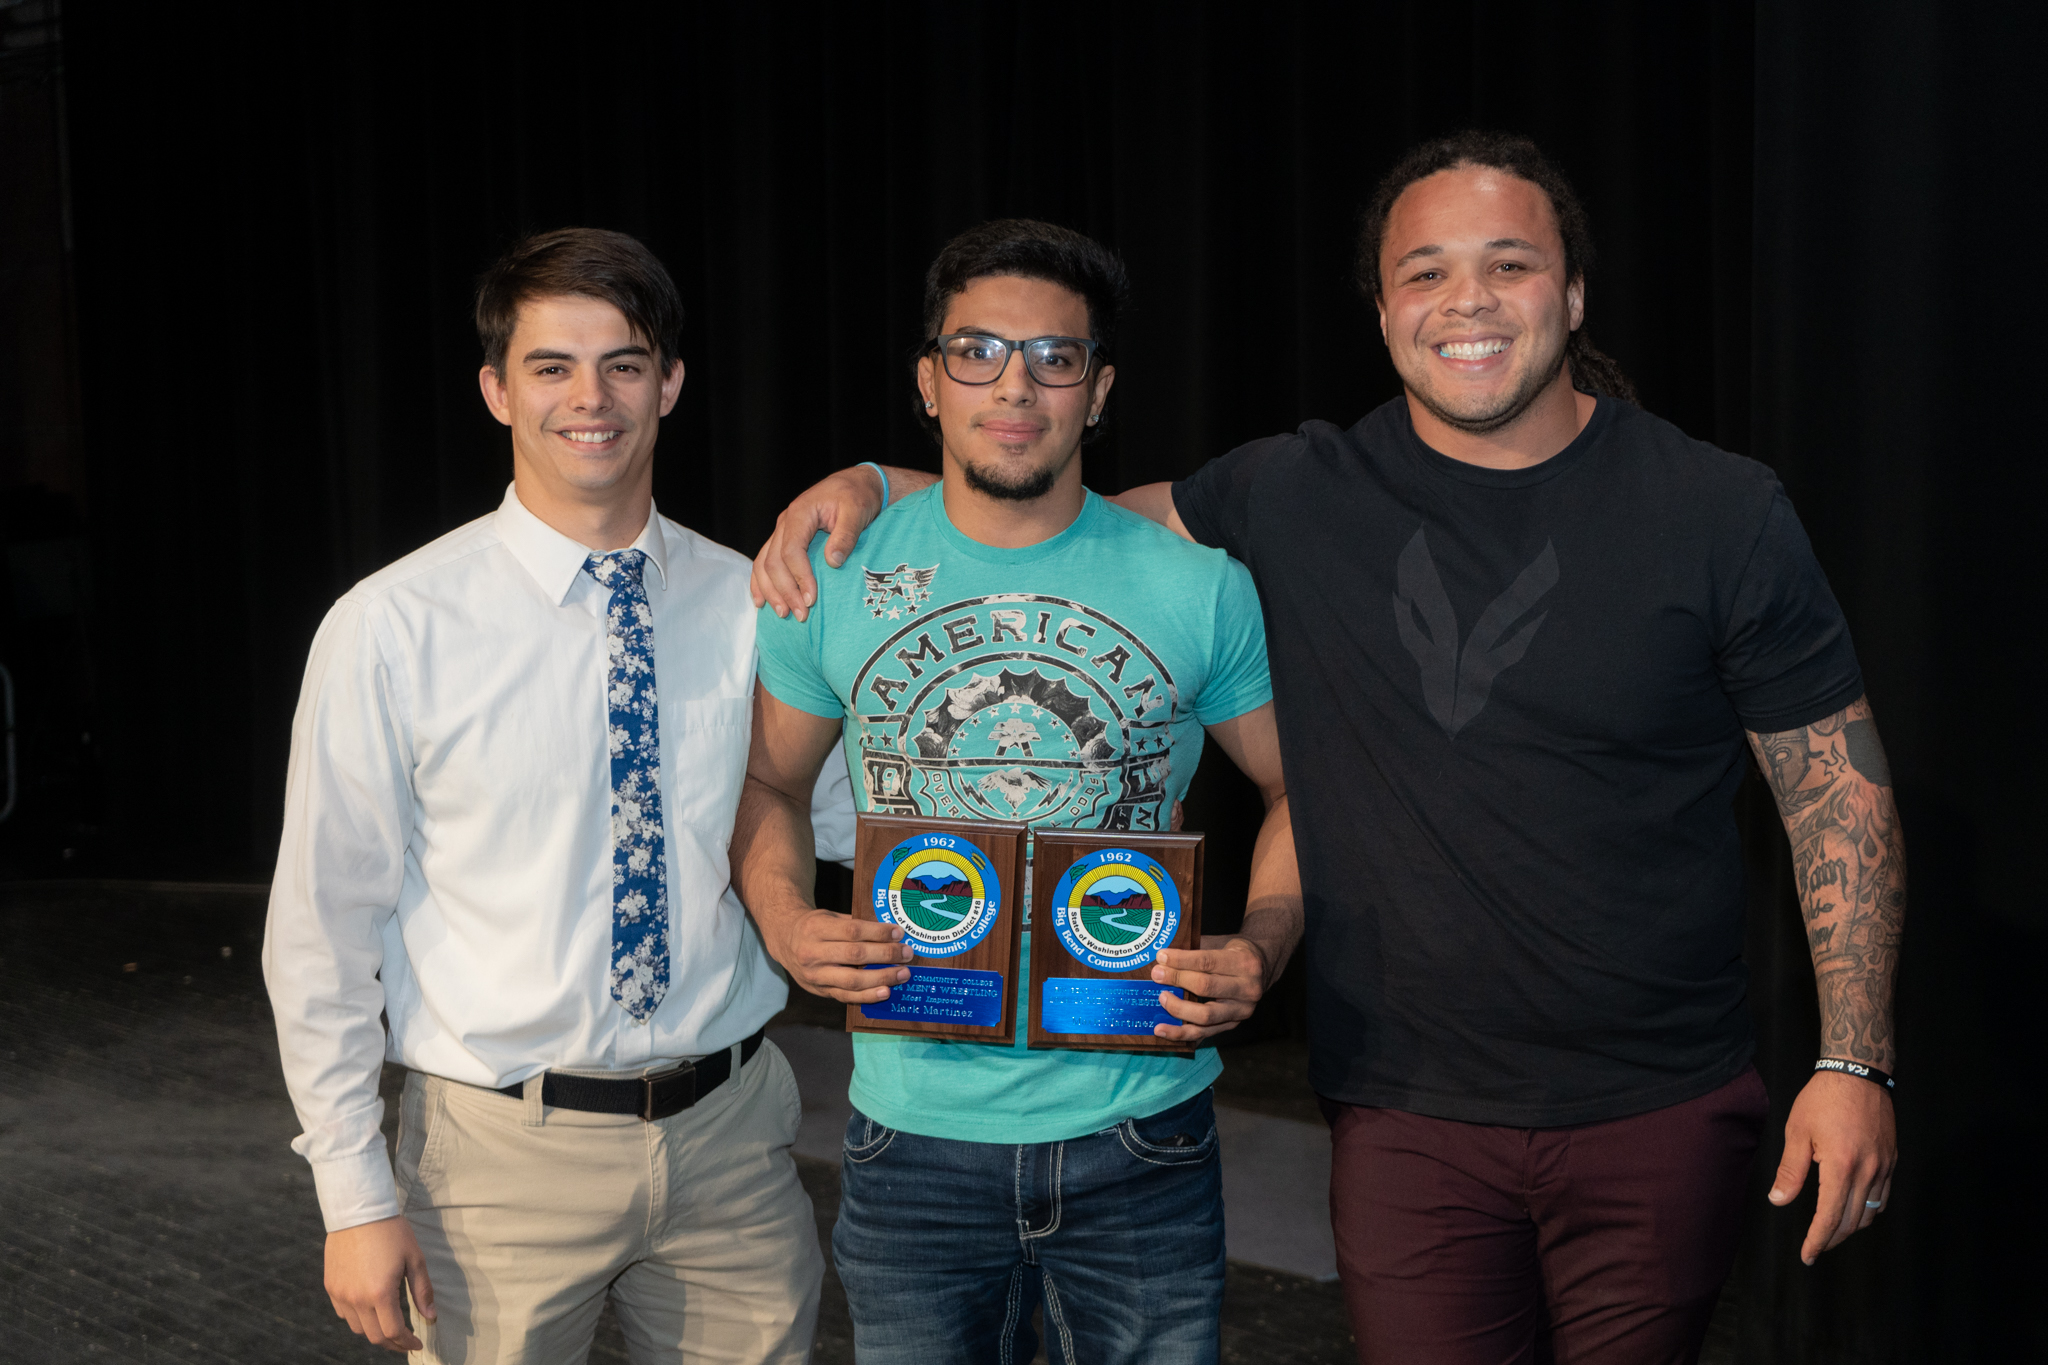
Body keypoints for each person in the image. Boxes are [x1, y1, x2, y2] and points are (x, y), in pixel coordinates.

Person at [750, 133, 1904, 1364]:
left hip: (1656, 1101)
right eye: (1424, 273)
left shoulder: (1715, 509)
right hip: (1402, 1106)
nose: (1464, 300)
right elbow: (1041, 516)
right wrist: (873, 483)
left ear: (1570, 295)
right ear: (1381, 309)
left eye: (1506, 264)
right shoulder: (1298, 490)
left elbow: (1837, 797)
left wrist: (1854, 1061)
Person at [729, 218, 1302, 1364]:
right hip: (910, 1139)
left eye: (1055, 358)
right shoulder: (834, 573)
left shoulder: (1200, 589)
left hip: (1140, 1131)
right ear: (928, 383)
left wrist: (1263, 944)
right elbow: (766, 784)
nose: (1016, 386)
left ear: (1097, 393)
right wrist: (789, 926)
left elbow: (1300, 792)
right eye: (978, 352)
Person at [263, 228, 823, 1362]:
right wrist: (353, 1196)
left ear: (668, 383)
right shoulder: (394, 626)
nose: (591, 397)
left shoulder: (758, 606)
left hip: (731, 1145)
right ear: (495, 390)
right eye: (550, 367)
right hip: (493, 1166)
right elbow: (323, 929)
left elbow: (861, 816)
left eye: (623, 362)